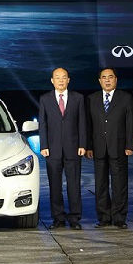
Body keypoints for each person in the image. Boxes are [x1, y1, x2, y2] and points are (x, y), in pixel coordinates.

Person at [85, 67, 133, 229]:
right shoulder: (92, 99)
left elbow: (130, 122)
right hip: (98, 148)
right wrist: (89, 146)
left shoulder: (125, 98)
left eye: (110, 77)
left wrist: (130, 144)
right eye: (104, 77)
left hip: (119, 147)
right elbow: (88, 125)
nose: (107, 80)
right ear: (99, 81)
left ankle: (119, 217)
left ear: (116, 80)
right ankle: (104, 217)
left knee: (120, 184)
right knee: (100, 184)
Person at [38, 67, 87, 230]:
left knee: (74, 185)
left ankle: (75, 218)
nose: (61, 80)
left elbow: (82, 122)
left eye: (64, 77)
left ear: (68, 80)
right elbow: (43, 124)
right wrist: (44, 145)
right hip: (52, 150)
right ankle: (58, 218)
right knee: (55, 185)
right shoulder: (45, 99)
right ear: (52, 81)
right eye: (57, 77)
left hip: (73, 148)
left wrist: (82, 144)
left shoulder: (78, 98)